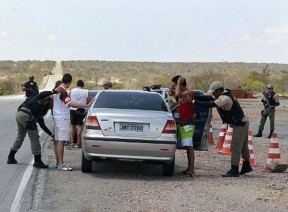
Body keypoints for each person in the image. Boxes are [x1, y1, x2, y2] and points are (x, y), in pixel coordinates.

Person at [193, 81, 252, 177]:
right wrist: (195, 97)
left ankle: (234, 169)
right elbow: (208, 98)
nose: (213, 94)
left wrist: (194, 102)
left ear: (219, 90)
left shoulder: (225, 98)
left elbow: (211, 104)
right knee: (243, 146)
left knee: (235, 147)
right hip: (242, 122)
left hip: (240, 124)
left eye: (214, 92)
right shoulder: (222, 96)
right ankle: (247, 165)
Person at [53, 73, 94, 171]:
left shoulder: (56, 89)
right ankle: (61, 164)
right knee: (61, 142)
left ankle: (58, 163)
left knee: (57, 141)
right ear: (70, 82)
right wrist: (86, 105)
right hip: (62, 118)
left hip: (57, 117)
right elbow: (71, 104)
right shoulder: (62, 91)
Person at [7, 89, 57, 168]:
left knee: (20, 135)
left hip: (19, 114)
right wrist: (54, 91)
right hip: (27, 116)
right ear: (50, 100)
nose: (53, 106)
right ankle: (37, 161)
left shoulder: (43, 108)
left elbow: (42, 125)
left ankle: (11, 157)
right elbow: (42, 93)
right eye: (53, 104)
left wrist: (51, 134)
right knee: (34, 137)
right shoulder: (40, 98)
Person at [172, 75, 196, 177]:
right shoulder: (183, 94)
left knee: (189, 146)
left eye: (175, 83)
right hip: (183, 121)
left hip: (187, 122)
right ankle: (189, 169)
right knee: (187, 146)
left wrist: (178, 83)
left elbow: (177, 95)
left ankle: (191, 169)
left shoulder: (189, 93)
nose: (173, 86)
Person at [69, 80, 93, 148]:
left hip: (73, 110)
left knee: (72, 126)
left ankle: (72, 141)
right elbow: (89, 101)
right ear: (83, 85)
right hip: (82, 110)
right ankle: (79, 142)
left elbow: (69, 99)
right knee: (80, 126)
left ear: (77, 85)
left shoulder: (71, 90)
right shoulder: (86, 91)